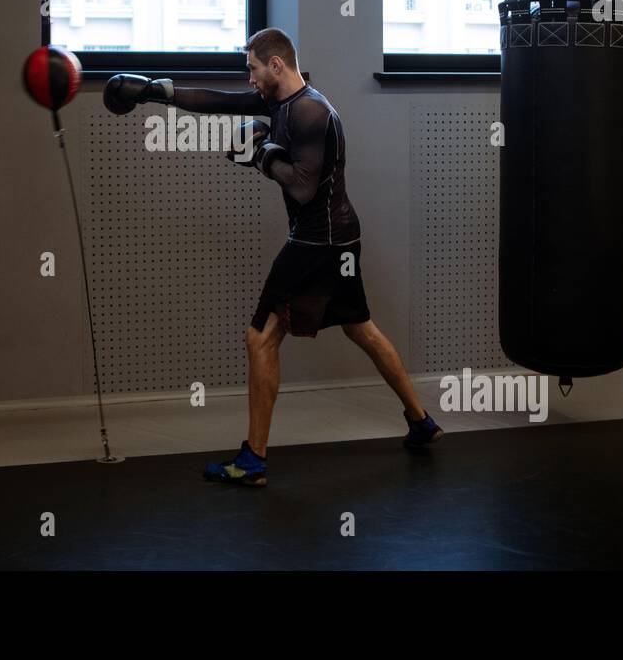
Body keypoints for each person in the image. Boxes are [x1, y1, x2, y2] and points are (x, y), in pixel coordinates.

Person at [102, 28, 442, 488]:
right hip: (339, 240)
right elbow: (221, 102)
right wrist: (157, 92)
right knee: (361, 328)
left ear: (276, 65)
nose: (251, 80)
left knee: (259, 339)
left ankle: (253, 461)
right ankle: (420, 420)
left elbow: (301, 185)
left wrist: (258, 154)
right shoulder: (282, 102)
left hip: (315, 243)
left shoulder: (309, 112)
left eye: (253, 70)